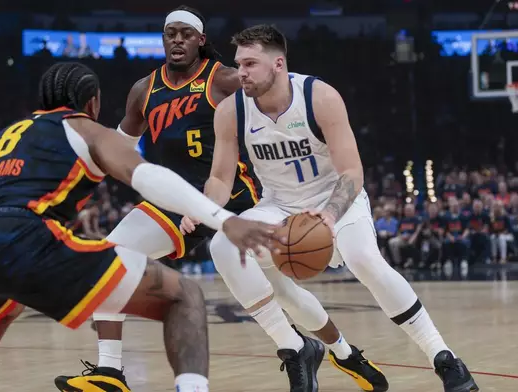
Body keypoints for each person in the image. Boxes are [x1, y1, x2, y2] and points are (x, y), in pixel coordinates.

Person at [0, 62, 281, 392]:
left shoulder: (1, 142)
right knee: (186, 297)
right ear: (92, 103)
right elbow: (146, 177)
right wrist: (224, 219)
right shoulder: (85, 129)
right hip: (22, 239)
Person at [56, 6, 387, 392]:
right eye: (169, 33)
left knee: (284, 291)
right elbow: (121, 144)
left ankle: (344, 353)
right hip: (175, 201)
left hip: (235, 200)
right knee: (109, 256)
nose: (176, 40)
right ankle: (111, 371)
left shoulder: (226, 80)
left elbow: (278, 103)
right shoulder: (143, 90)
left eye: (184, 33)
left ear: (199, 40)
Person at [184, 24, 479, 392]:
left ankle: (445, 358)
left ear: (278, 64)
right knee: (223, 246)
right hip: (279, 207)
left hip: (337, 197)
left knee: (364, 259)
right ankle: (294, 348)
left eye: (250, 63)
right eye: (239, 63)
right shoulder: (230, 111)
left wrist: (331, 214)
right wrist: (199, 206)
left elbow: (352, 171)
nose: (240, 71)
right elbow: (221, 179)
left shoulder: (319, 96)